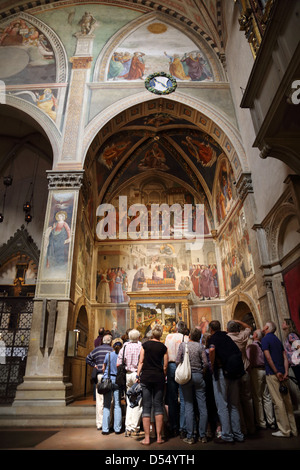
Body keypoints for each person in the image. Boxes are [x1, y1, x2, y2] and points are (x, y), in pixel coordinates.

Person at [207, 320, 245, 444]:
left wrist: (212, 365)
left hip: (222, 372)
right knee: (234, 404)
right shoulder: (227, 337)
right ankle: (238, 434)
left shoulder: (213, 338)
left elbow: (212, 350)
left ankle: (227, 435)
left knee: (222, 405)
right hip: (234, 372)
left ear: (210, 329)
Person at [261, 321, 298, 438]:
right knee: (287, 402)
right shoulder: (277, 339)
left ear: (266, 328)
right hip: (283, 373)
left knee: (278, 402)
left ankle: (284, 430)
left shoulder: (265, 339)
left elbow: (268, 356)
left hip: (273, 374)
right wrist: (285, 371)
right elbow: (285, 356)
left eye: (264, 326)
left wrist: (276, 371)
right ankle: (293, 429)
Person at [137, 324, 168, 445]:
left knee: (146, 406)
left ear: (151, 333)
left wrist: (137, 375)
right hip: (159, 377)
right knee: (158, 405)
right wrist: (163, 374)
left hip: (146, 377)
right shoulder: (163, 347)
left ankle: (147, 438)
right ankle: (159, 437)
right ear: (160, 335)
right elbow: (165, 365)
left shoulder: (145, 345)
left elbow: (141, 361)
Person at [176, 328, 208, 444]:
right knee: (202, 406)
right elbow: (206, 363)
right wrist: (201, 371)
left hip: (187, 377)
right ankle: (203, 436)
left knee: (188, 406)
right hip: (198, 376)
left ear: (189, 335)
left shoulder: (183, 345)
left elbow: (177, 360)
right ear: (199, 337)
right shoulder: (200, 347)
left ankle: (190, 436)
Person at [226, 319, 256, 435]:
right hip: (245, 369)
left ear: (228, 329)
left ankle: (241, 429)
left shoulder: (227, 338)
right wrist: (238, 321)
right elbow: (249, 327)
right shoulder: (243, 336)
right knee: (248, 400)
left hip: (234, 372)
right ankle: (251, 427)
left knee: (235, 402)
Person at [246, 329, 276, 429]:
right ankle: (271, 421)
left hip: (256, 371)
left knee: (257, 397)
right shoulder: (263, 344)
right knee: (267, 396)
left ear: (255, 335)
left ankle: (261, 422)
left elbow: (248, 360)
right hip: (265, 370)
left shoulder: (251, 346)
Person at [164, 321, 188, 438]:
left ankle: (173, 426)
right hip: (182, 366)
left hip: (170, 366)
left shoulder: (169, 336)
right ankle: (183, 427)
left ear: (176, 328)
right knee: (183, 398)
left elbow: (165, 352)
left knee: (172, 397)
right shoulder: (186, 338)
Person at [117, 329, 143, 437]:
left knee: (129, 400)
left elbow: (118, 363)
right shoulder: (141, 346)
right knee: (137, 401)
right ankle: (135, 427)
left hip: (127, 375)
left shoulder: (125, 347)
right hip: (138, 375)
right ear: (138, 337)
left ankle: (128, 427)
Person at [86, 334, 113, 430]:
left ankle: (99, 423)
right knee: (109, 400)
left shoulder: (97, 349)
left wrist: (95, 365)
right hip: (109, 376)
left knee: (99, 400)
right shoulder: (111, 350)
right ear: (110, 341)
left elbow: (88, 358)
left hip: (99, 376)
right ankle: (108, 423)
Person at [101, 337, 124, 435]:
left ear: (112, 345)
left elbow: (103, 368)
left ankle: (105, 429)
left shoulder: (108, 355)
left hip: (108, 380)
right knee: (117, 404)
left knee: (106, 405)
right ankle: (117, 428)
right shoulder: (122, 356)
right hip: (117, 381)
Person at [282, 318, 300, 390]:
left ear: (288, 325)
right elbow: (286, 357)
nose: (282, 324)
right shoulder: (287, 338)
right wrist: (286, 371)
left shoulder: (291, 335)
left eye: (284, 323)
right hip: (294, 366)